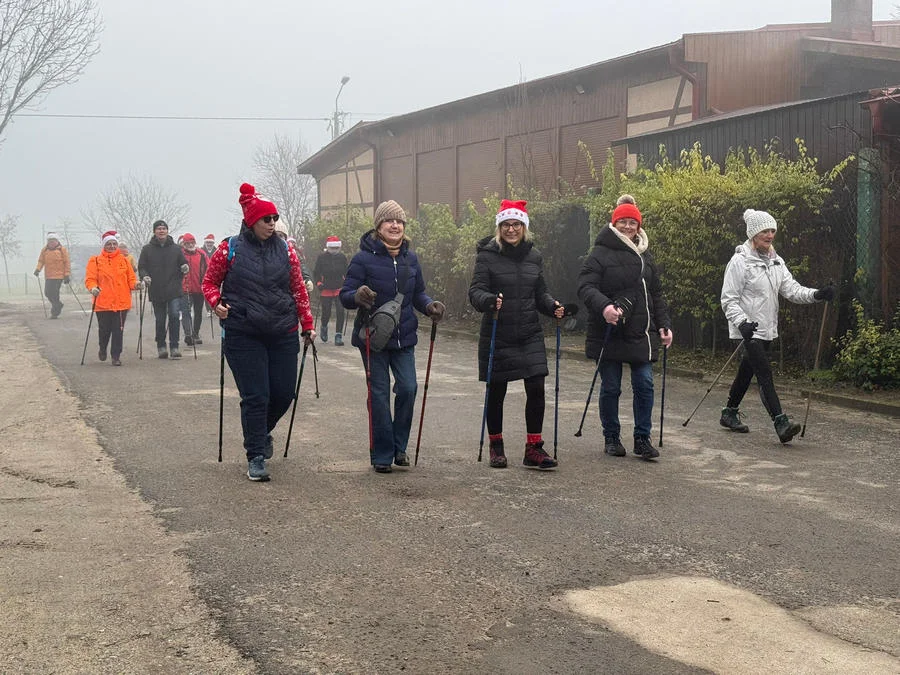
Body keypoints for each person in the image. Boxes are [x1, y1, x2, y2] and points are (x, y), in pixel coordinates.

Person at [202, 183, 315, 482]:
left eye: (275, 219)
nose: (272, 224)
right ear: (252, 220)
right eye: (267, 219)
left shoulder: (286, 249)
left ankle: (261, 431)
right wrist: (216, 304)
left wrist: (308, 324)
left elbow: (298, 289)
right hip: (243, 332)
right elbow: (209, 283)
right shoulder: (230, 248)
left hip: (282, 330)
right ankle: (255, 455)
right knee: (256, 396)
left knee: (283, 393)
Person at [339, 200, 445, 474]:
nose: (395, 225)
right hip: (372, 338)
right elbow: (346, 295)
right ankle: (383, 454)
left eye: (399, 221)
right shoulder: (363, 259)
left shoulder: (411, 259)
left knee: (408, 388)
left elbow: (418, 294)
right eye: (389, 221)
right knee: (379, 394)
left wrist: (430, 305)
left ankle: (400, 447)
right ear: (378, 226)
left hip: (404, 337)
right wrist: (358, 295)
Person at [719, 209, 835, 443]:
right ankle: (780, 422)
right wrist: (742, 323)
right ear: (753, 234)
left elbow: (792, 290)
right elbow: (728, 299)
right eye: (765, 231)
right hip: (748, 331)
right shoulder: (740, 262)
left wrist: (817, 294)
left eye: (772, 230)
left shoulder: (776, 261)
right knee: (764, 373)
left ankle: (729, 412)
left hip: (768, 328)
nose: (770, 234)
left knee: (747, 371)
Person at [468, 199, 565, 470]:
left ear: (524, 227)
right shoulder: (487, 256)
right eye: (506, 225)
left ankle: (533, 448)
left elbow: (540, 293)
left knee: (536, 387)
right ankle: (496, 445)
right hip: (498, 332)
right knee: (496, 390)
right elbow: (475, 291)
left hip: (529, 332)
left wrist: (553, 306)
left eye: (517, 224)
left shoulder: (534, 257)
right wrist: (489, 300)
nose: (511, 229)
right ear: (500, 228)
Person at [577, 195, 672, 461]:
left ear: (639, 226)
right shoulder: (599, 252)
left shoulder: (645, 254)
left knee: (644, 384)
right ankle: (611, 436)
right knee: (611, 387)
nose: (628, 227)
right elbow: (585, 287)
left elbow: (657, 294)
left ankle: (642, 438)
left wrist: (664, 325)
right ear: (614, 224)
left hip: (641, 332)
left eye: (632, 222)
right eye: (623, 222)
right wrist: (605, 307)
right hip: (610, 330)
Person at [84, 231, 140, 366]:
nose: (112, 246)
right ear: (104, 246)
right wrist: (93, 288)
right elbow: (90, 279)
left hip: (121, 303)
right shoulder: (95, 260)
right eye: (109, 244)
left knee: (118, 329)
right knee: (104, 330)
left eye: (114, 244)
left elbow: (131, 279)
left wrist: (137, 285)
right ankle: (102, 348)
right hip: (102, 302)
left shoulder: (124, 261)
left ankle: (116, 356)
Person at [138, 220, 188, 359]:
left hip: (174, 289)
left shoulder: (176, 249)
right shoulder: (147, 249)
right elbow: (142, 267)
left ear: (167, 231)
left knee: (173, 316)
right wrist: (145, 276)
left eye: (164, 228)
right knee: (160, 319)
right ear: (154, 231)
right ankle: (161, 346)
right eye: (159, 229)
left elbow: (183, 263)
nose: (161, 231)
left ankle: (174, 346)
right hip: (156, 289)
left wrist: (185, 267)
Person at [314, 236, 349, 345]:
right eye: (332, 248)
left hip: (339, 288)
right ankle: (324, 327)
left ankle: (338, 336)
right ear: (328, 247)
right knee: (326, 313)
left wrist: (348, 284)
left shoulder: (342, 257)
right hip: (326, 288)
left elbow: (347, 272)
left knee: (340, 311)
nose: (334, 250)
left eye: (336, 248)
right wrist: (319, 283)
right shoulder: (321, 257)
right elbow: (316, 272)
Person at [34, 232, 71, 319]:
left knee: (54, 293)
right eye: (50, 241)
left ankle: (55, 312)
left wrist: (67, 275)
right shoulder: (44, 250)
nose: (51, 242)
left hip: (59, 276)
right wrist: (38, 269)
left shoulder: (62, 250)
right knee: (47, 293)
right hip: (49, 276)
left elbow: (67, 263)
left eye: (53, 240)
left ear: (57, 241)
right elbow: (41, 261)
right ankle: (58, 304)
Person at [179, 233, 207, 346]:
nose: (190, 245)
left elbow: (208, 268)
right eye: (187, 243)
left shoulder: (202, 254)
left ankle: (195, 333)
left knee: (198, 312)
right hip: (184, 288)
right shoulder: (179, 255)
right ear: (184, 244)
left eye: (192, 243)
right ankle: (188, 335)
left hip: (199, 288)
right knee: (186, 312)